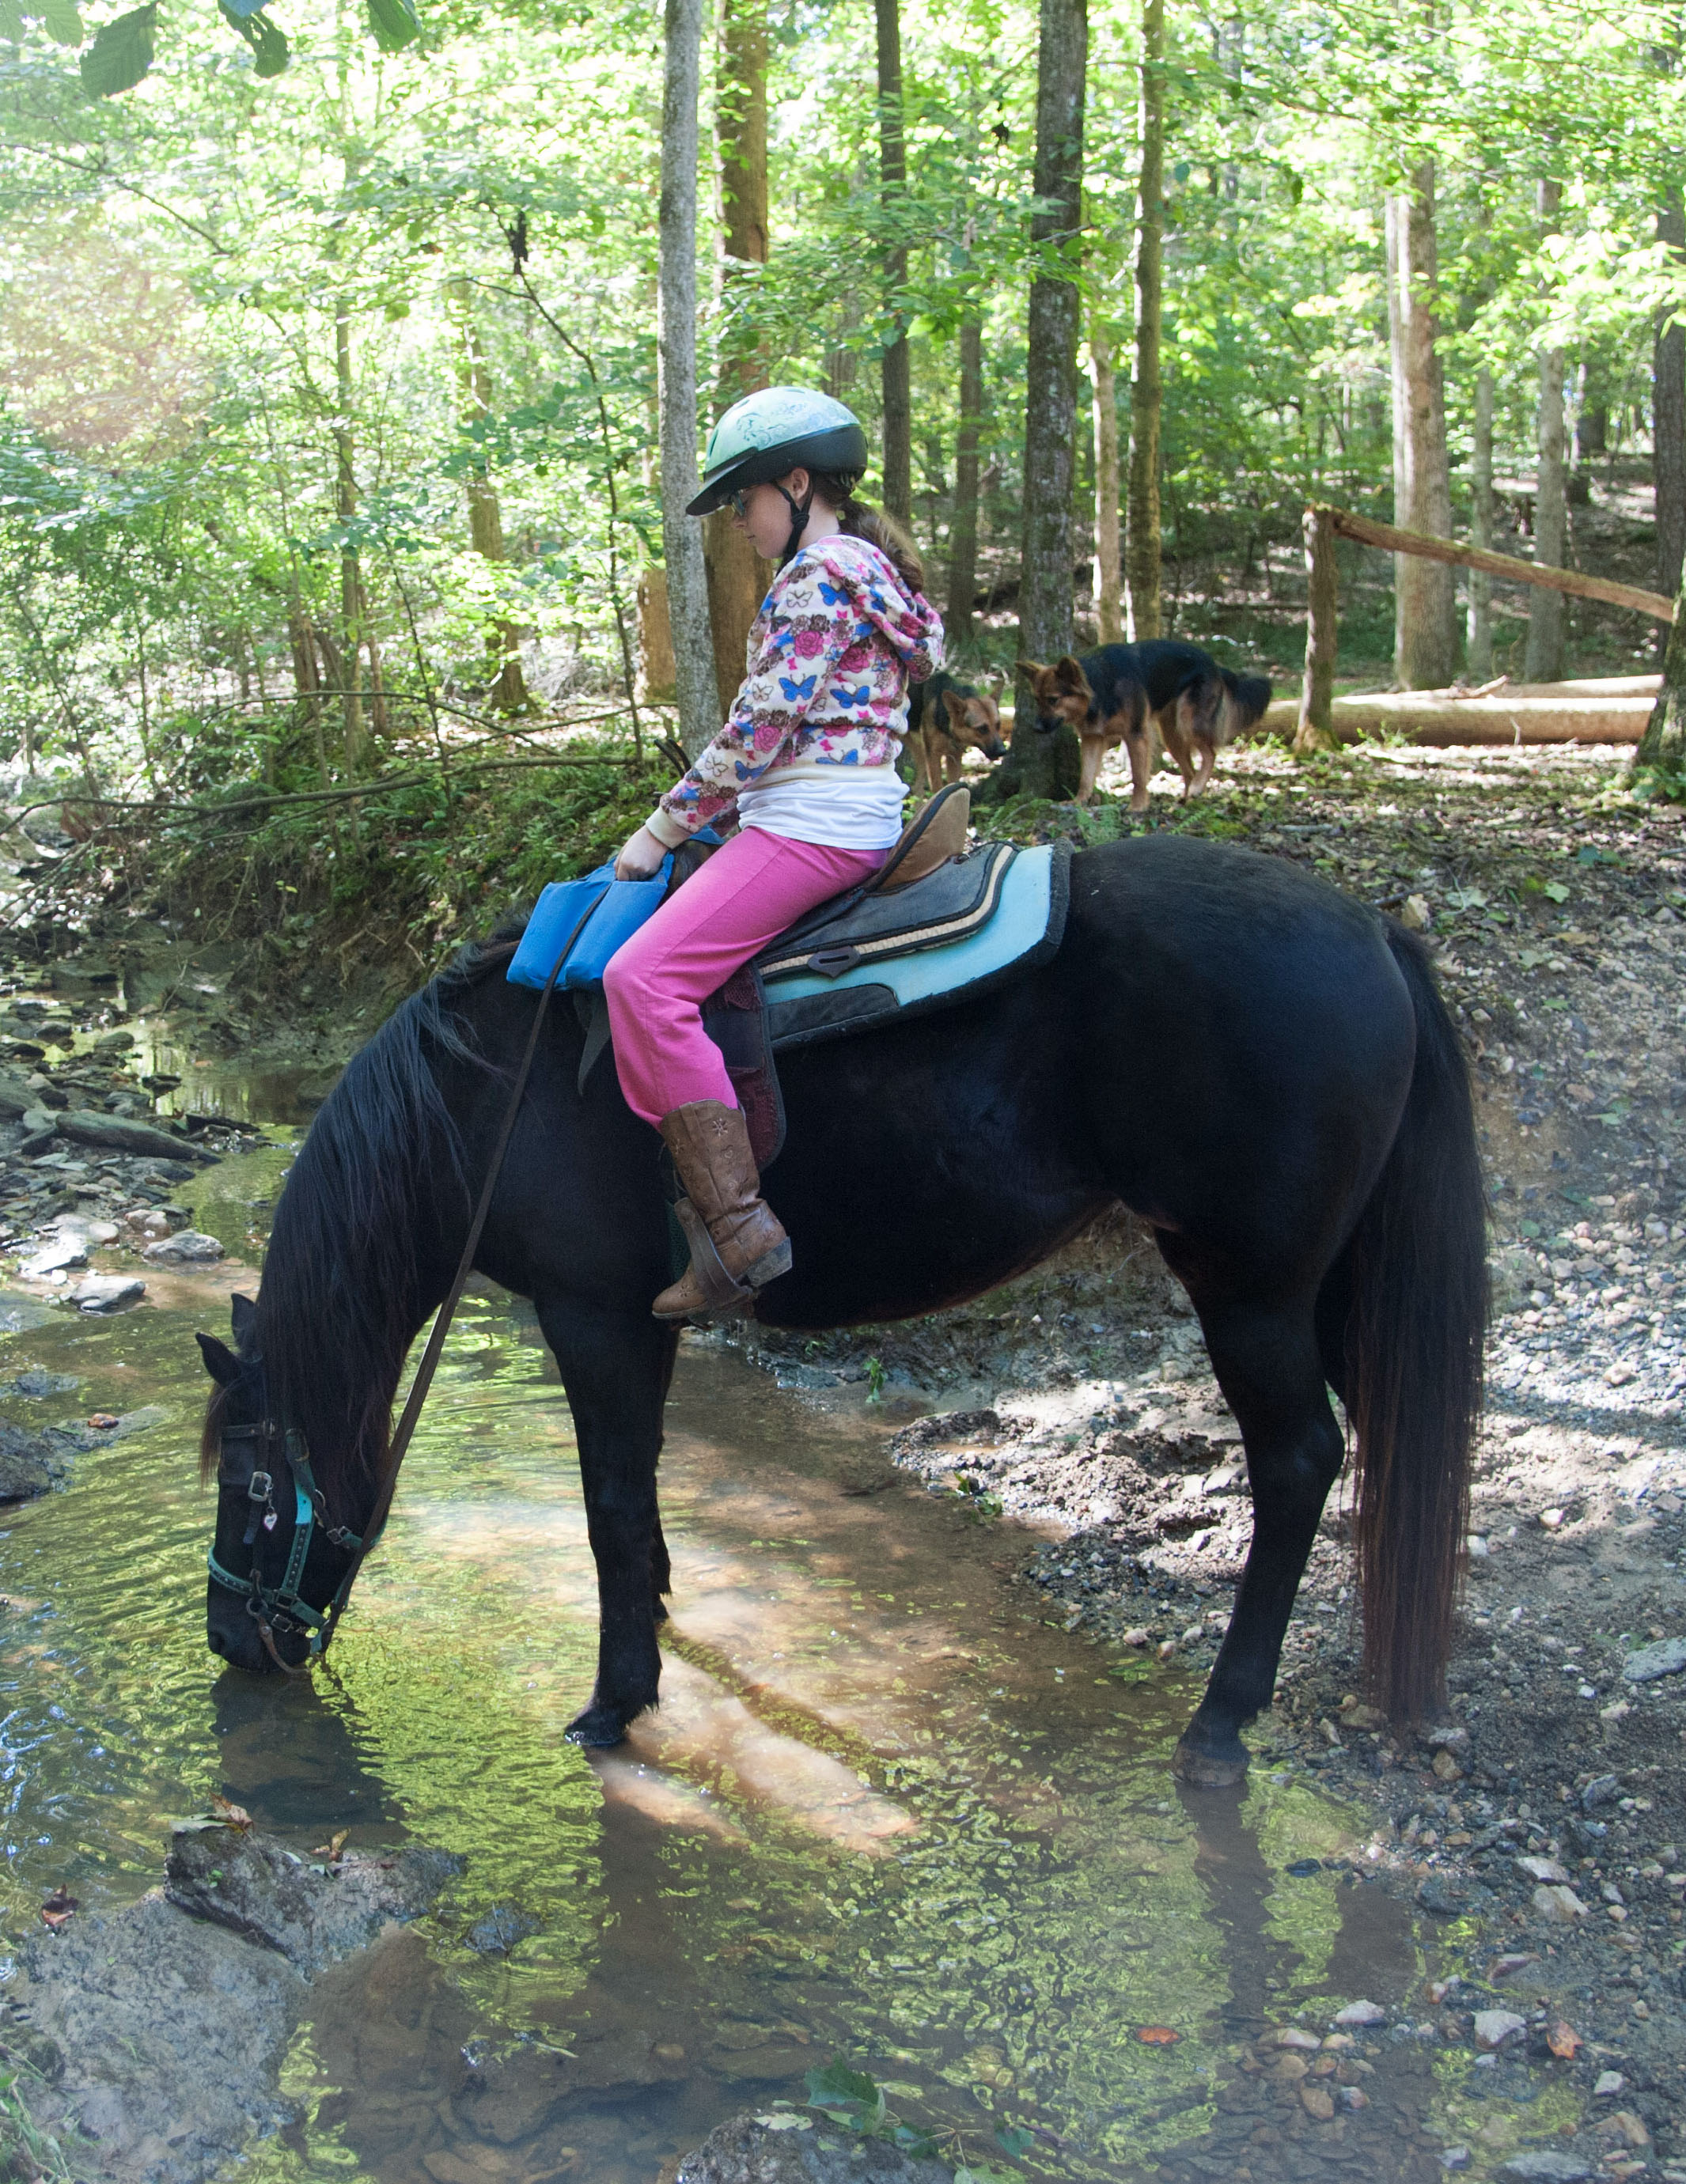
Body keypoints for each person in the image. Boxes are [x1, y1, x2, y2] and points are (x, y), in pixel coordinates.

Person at [604, 387, 943, 1321]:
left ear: (797, 485)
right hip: (843, 811)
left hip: (811, 827)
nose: (740, 524)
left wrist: (662, 827)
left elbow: (760, 728)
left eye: (745, 501)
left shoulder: (817, 577)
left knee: (643, 980)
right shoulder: (873, 575)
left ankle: (735, 1229)